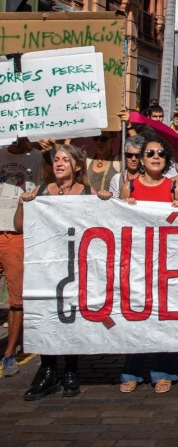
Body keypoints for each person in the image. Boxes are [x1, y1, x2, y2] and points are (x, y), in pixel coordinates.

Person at [14, 144, 110, 399]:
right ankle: (47, 370)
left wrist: (106, 203)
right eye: (56, 159)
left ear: (77, 166)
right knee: (47, 313)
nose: (59, 164)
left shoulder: (87, 193)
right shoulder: (42, 192)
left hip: (76, 265)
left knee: (71, 315)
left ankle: (70, 369)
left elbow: (104, 226)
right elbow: (20, 225)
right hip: (47, 266)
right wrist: (24, 203)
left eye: (65, 160)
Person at [118, 138, 178, 394]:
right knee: (136, 316)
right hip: (136, 261)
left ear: (166, 159)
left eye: (160, 153)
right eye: (150, 153)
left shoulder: (174, 187)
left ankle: (163, 371)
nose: (155, 156)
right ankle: (131, 371)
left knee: (165, 318)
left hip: (167, 261)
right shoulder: (130, 186)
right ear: (142, 159)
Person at [0, 137, 44, 377]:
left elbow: (44, 183)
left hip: (16, 232)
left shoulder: (36, 157)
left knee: (16, 298)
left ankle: (9, 352)